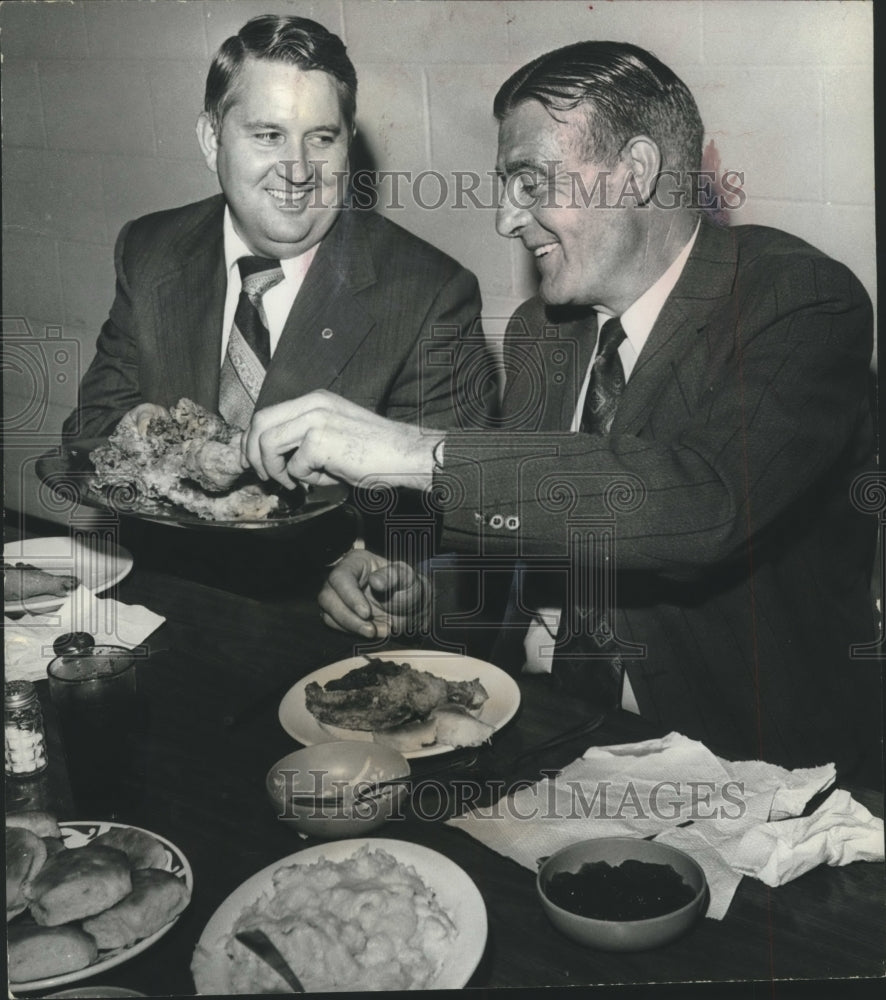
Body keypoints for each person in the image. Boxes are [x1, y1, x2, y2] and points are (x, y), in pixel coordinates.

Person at [241, 42, 879, 779]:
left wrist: (416, 450)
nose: (508, 219)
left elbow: (705, 503)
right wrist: (417, 586)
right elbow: (521, 528)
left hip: (746, 770)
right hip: (543, 732)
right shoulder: (544, 331)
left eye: (528, 182)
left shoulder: (798, 300)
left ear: (635, 172)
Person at [62, 14, 488, 444]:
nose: (298, 170)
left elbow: (455, 487)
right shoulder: (150, 249)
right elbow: (89, 429)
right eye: (268, 135)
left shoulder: (430, 295)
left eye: (322, 138)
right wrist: (135, 434)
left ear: (349, 142)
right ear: (212, 140)